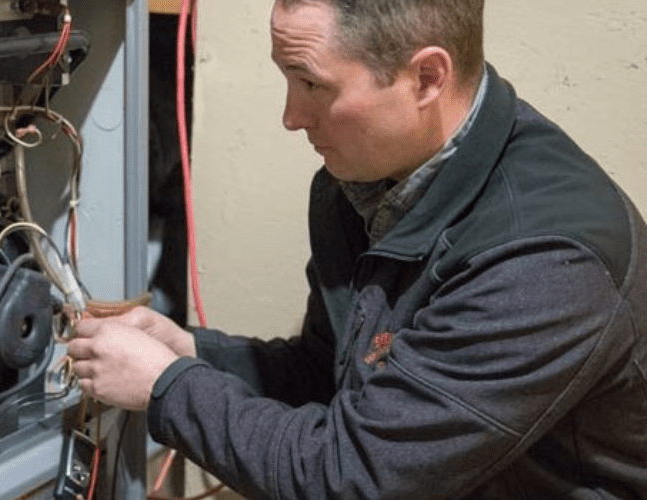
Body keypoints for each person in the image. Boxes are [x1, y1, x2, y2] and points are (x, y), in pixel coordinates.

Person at [67, 0, 647, 498]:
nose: (291, 117)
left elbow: (354, 478)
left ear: (427, 77)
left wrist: (168, 385)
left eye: (312, 83)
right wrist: (194, 351)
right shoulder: (365, 184)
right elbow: (333, 375)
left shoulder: (544, 263)